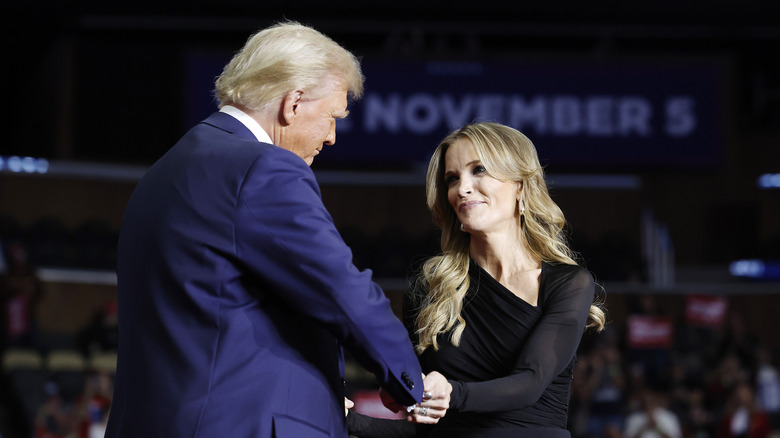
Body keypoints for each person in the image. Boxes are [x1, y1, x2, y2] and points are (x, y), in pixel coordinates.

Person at [104, 21, 445, 437]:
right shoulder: (262, 167)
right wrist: (408, 382)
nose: (333, 137)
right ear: (294, 102)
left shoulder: (165, 171)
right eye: (333, 117)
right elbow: (340, 289)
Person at [347, 122, 606, 437]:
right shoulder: (431, 289)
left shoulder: (567, 282)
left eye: (478, 170)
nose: (462, 188)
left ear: (520, 186)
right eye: (452, 179)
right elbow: (428, 429)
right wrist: (349, 420)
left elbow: (530, 381)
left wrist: (452, 394)